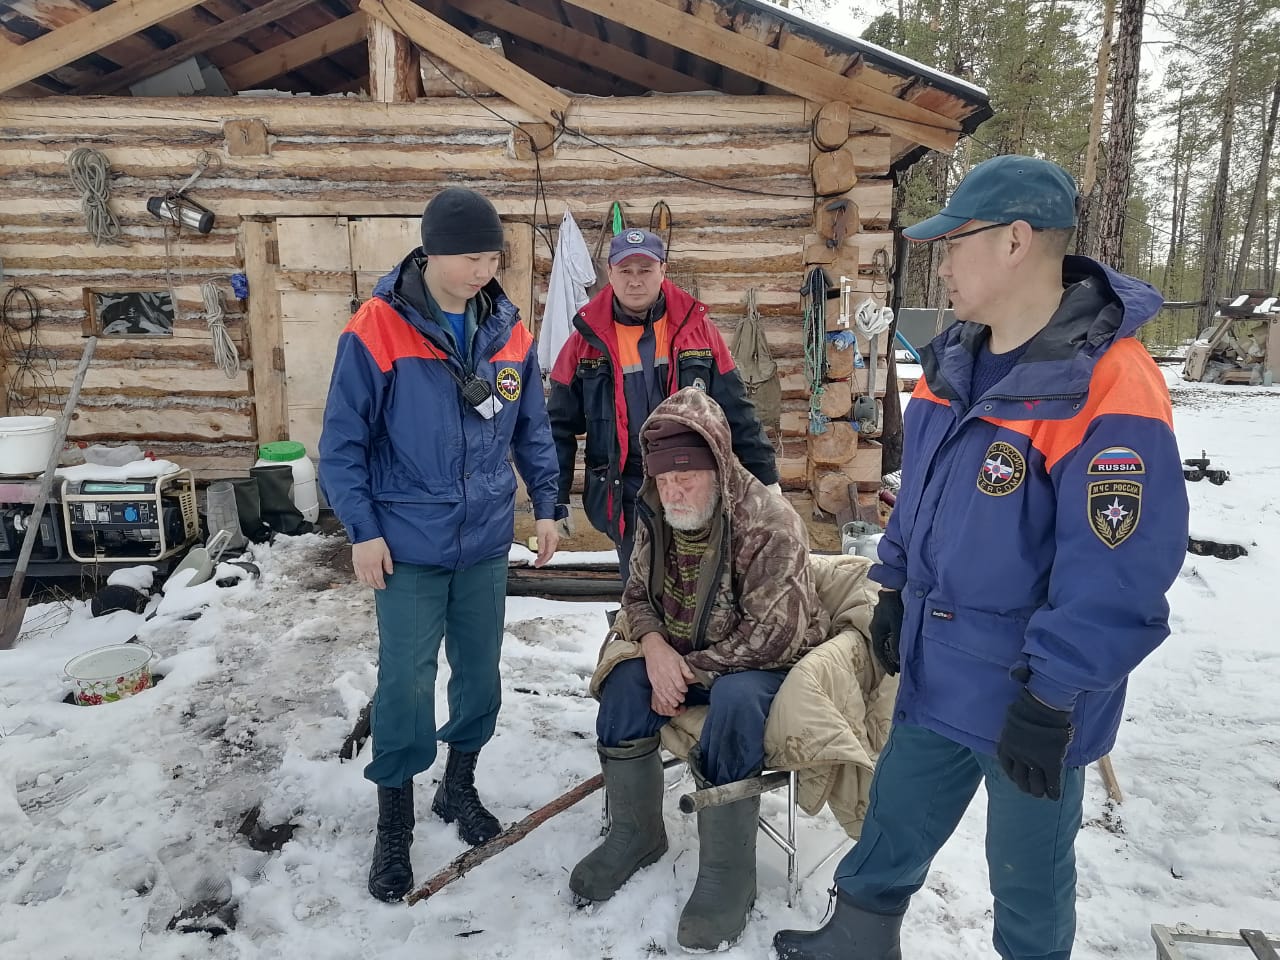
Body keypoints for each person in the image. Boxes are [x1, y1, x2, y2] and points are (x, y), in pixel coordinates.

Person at [773, 155, 1189, 960]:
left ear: (1014, 242)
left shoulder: (1108, 381)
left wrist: (1056, 694)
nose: (940, 264)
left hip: (1035, 695)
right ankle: (859, 936)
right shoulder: (950, 361)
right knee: (897, 816)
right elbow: (918, 495)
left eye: (953, 242)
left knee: (1028, 873)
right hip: (938, 662)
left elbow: (1121, 567)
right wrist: (891, 587)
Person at [319, 187, 562, 903]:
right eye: (468, 258)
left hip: (484, 540)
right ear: (430, 250)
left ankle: (458, 788)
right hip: (408, 544)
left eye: (492, 257)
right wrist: (361, 530)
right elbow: (342, 444)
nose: (482, 271)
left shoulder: (508, 330)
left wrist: (547, 507)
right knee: (406, 683)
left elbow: (532, 428)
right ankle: (394, 820)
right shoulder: (376, 328)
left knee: (480, 673)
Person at [569, 386, 830, 950]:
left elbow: (771, 637)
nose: (676, 490)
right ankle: (635, 833)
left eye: (687, 477)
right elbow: (636, 593)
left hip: (768, 663)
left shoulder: (768, 521)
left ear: (718, 464)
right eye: (665, 480)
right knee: (622, 681)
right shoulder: (656, 512)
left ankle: (728, 874)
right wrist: (656, 651)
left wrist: (684, 671)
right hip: (683, 651)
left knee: (735, 701)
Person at [547, 228, 779, 577]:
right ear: (609, 273)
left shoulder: (699, 331)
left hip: (693, 482)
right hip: (624, 490)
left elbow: (738, 409)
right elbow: (557, 428)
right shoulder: (584, 341)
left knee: (697, 586)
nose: (635, 281)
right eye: (626, 271)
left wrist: (767, 478)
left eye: (645, 270)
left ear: (663, 270)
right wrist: (554, 499)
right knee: (639, 588)